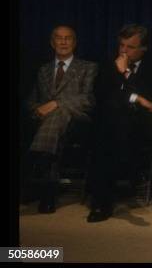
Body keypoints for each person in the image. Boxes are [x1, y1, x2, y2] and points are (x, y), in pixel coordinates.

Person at [87, 24, 152, 222]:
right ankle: (102, 202)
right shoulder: (108, 65)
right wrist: (135, 97)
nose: (123, 51)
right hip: (111, 127)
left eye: (130, 47)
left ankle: (113, 186)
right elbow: (100, 95)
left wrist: (125, 78)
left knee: (111, 127)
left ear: (143, 49)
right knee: (110, 117)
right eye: (121, 45)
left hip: (141, 126)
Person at [26, 25, 98, 213]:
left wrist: (56, 104)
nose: (63, 42)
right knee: (54, 126)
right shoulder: (43, 70)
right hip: (48, 125)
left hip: (78, 121)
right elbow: (32, 101)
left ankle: (38, 163)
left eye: (68, 38)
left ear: (74, 43)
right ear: (52, 43)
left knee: (60, 113)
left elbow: (88, 99)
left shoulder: (88, 67)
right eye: (59, 38)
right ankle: (48, 191)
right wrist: (39, 109)